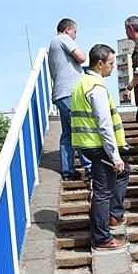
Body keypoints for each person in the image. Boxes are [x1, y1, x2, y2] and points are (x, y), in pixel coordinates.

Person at [71, 44, 130, 251]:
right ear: (100, 64)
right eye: (111, 63)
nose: (113, 67)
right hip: (97, 145)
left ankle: (114, 216)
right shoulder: (96, 87)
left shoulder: (82, 83)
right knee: (103, 191)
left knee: (123, 174)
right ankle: (103, 238)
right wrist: (115, 156)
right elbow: (104, 124)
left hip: (87, 144)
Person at [49, 18, 92, 181]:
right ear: (68, 30)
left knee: (67, 134)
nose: (75, 35)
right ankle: (89, 167)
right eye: (75, 31)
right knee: (80, 128)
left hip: (60, 94)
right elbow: (82, 58)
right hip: (69, 93)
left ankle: (68, 170)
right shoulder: (63, 39)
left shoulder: (53, 45)